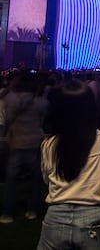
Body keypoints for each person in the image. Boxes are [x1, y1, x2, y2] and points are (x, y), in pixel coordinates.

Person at [36, 80, 100, 249]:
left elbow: (47, 180)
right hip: (95, 216)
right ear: (91, 108)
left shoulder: (49, 144)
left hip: (55, 218)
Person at [1, 70, 49, 223]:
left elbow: (8, 118)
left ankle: (8, 212)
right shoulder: (39, 101)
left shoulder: (12, 99)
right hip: (34, 142)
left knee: (11, 179)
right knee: (35, 178)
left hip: (16, 142)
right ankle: (33, 209)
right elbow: (43, 117)